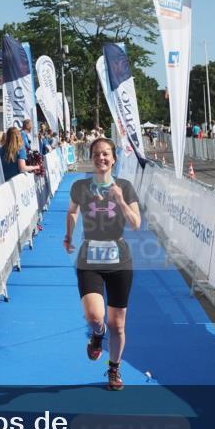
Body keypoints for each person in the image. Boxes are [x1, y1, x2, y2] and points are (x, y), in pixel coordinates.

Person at [64, 137, 141, 391]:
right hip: (90, 259)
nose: (101, 158)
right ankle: (97, 337)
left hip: (120, 261)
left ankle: (114, 368)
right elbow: (73, 210)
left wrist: (119, 199)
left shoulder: (125, 187)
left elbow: (135, 224)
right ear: (92, 157)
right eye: (97, 154)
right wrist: (68, 234)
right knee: (96, 317)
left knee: (117, 324)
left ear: (114, 158)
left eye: (106, 153)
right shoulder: (80, 186)